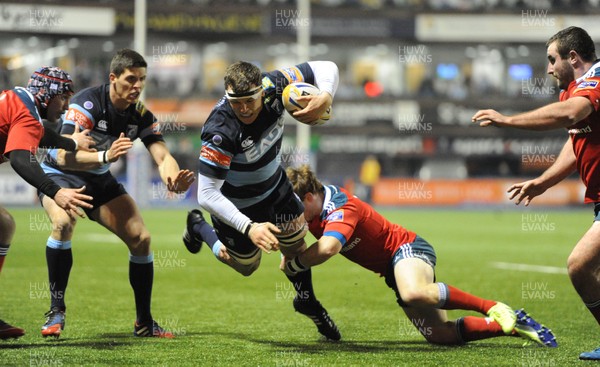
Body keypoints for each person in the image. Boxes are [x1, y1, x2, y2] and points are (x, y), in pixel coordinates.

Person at [284, 164, 557, 347]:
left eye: (296, 207)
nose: (294, 215)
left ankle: (491, 306)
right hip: (393, 269)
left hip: (407, 248)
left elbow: (329, 248)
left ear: (309, 197)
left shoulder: (339, 207)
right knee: (440, 335)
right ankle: (512, 324)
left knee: (413, 292)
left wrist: (296, 263)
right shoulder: (312, 213)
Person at [38, 49, 195, 339]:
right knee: (62, 223)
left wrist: (173, 178)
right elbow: (62, 155)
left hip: (98, 178)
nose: (138, 86)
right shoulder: (87, 103)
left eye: (142, 80)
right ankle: (56, 310)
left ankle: (144, 322)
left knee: (141, 238)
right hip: (60, 175)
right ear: (113, 78)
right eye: (131, 79)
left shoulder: (141, 115)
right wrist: (106, 155)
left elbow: (161, 156)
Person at [182, 60, 342, 340]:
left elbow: (327, 67)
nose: (244, 108)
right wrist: (249, 227)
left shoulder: (275, 84)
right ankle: (199, 227)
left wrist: (326, 95)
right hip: (236, 206)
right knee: (247, 266)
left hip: (275, 189)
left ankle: (307, 301)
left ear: (260, 91)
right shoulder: (219, 131)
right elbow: (206, 193)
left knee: (296, 246)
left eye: (249, 100)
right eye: (236, 102)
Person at [471, 26, 600, 359]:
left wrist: (508, 121)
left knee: (579, 266)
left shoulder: (596, 82)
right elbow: (576, 142)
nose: (548, 69)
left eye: (551, 59)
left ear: (572, 57)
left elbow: (573, 114)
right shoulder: (573, 92)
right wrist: (543, 182)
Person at [0, 66, 96, 340]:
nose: (66, 107)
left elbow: (40, 135)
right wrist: (56, 191)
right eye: (63, 97)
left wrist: (71, 143)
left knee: (3, 225)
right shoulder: (27, 114)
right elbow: (20, 157)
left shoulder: (19, 100)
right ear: (47, 93)